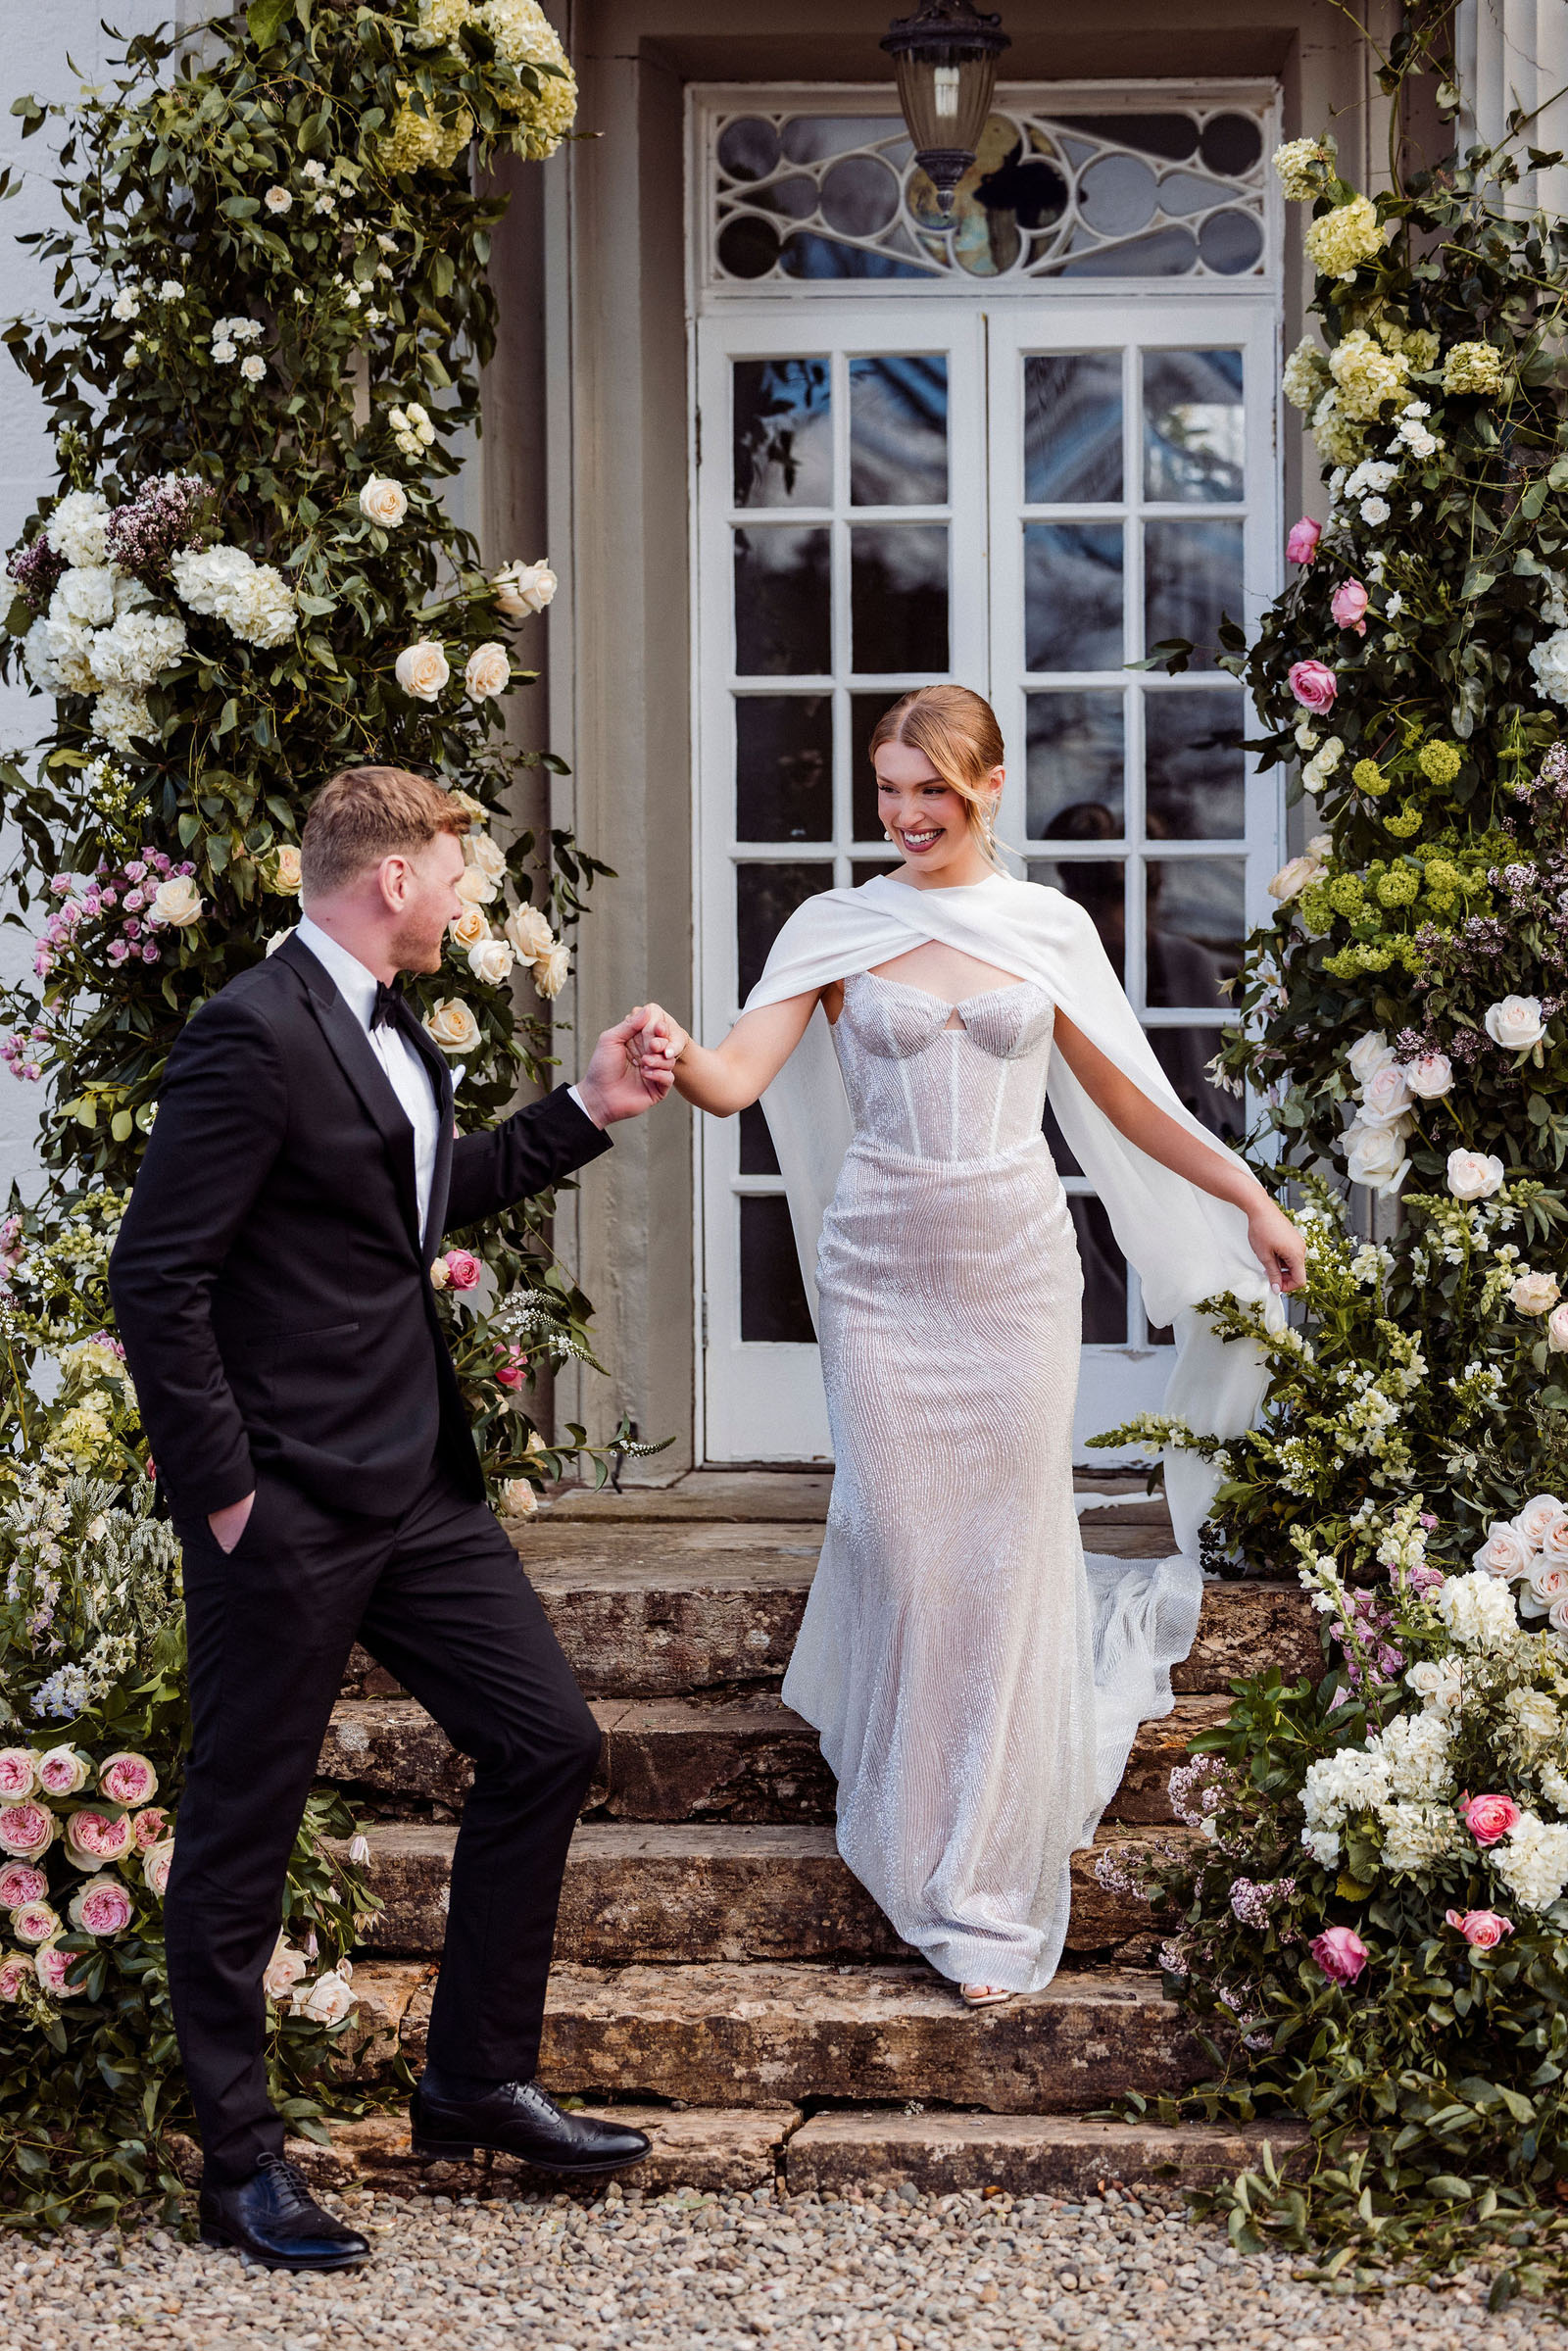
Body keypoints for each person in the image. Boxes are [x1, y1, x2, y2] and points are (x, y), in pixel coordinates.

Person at [631, 686, 1302, 2010]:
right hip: (882, 1273)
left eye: (929, 790)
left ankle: (980, 1869)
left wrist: (1251, 1198)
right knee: (902, 1540)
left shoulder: (1048, 928)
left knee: (997, 1556)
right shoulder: (837, 924)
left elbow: (1132, 1099)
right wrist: (672, 1051)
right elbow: (737, 1081)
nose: (905, 815)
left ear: (989, 786)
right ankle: (919, 1823)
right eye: (887, 790)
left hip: (1012, 1273)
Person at [110, 764, 672, 2274]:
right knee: (243, 1827)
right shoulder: (250, 1031)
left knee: (550, 1741)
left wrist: (586, 1111)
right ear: (395, 880)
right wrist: (225, 1490)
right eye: (458, 873)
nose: (470, 898)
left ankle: (473, 2081)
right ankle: (241, 2168)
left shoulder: (385, 1019)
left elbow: (413, 1198)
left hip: (417, 1492)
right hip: (282, 1508)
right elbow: (153, 1278)